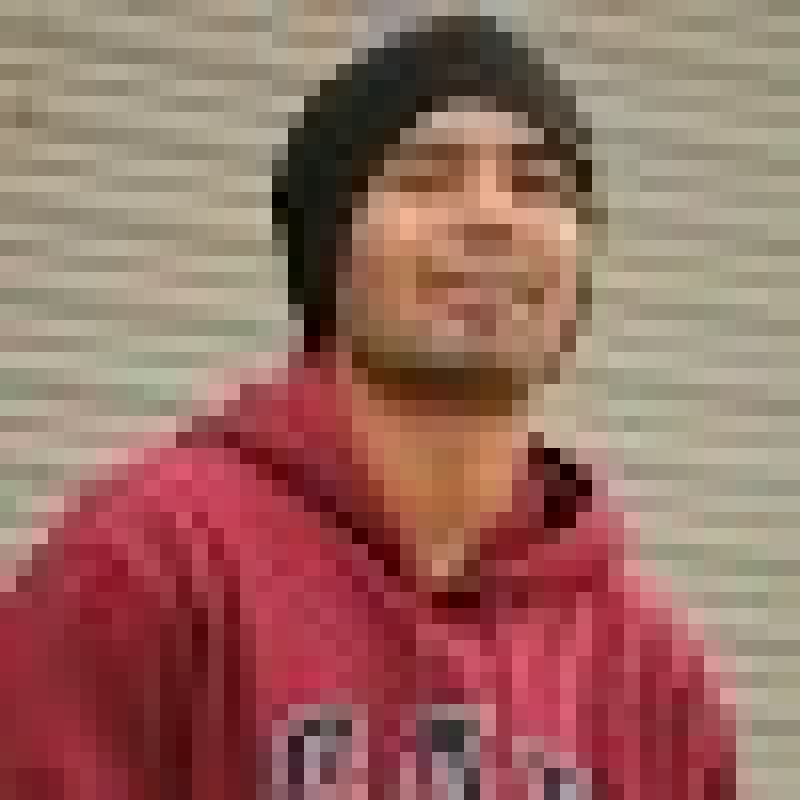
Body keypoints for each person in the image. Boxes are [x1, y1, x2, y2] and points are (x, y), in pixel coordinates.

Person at [1, 14, 736, 798]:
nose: (491, 218)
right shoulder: (147, 567)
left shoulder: (653, 677)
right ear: (331, 251)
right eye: (427, 178)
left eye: (536, 185)